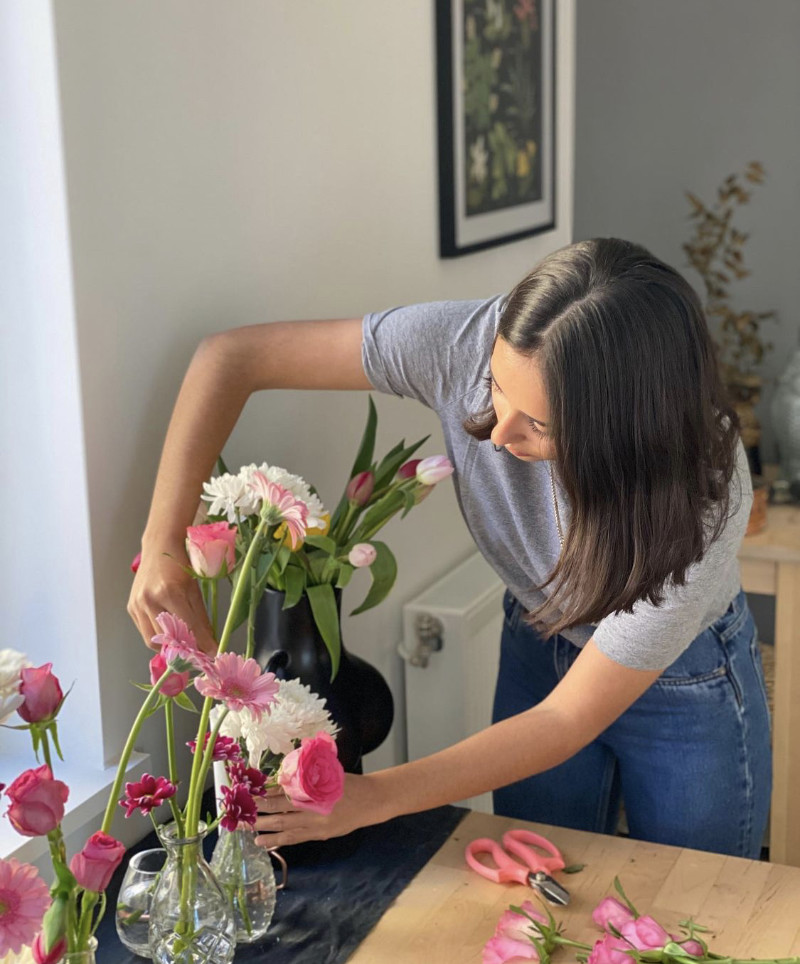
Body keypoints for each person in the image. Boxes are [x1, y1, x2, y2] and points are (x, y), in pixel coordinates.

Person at [128, 238, 772, 859]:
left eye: (541, 424)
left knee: (701, 907)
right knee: (546, 884)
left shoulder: (701, 497)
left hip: (687, 679)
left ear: (624, 428)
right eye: (496, 387)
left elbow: (564, 722)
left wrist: (373, 796)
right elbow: (231, 357)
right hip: (542, 634)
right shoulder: (462, 342)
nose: (498, 435)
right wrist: (162, 544)